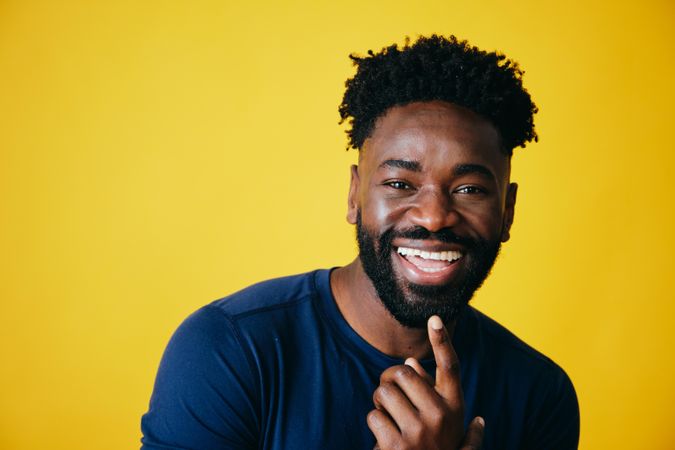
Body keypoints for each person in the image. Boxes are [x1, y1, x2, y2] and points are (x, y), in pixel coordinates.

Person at [140, 35, 580, 450]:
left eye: (469, 189)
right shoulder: (228, 351)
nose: (433, 216)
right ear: (355, 195)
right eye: (399, 183)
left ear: (507, 211)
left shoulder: (540, 396)